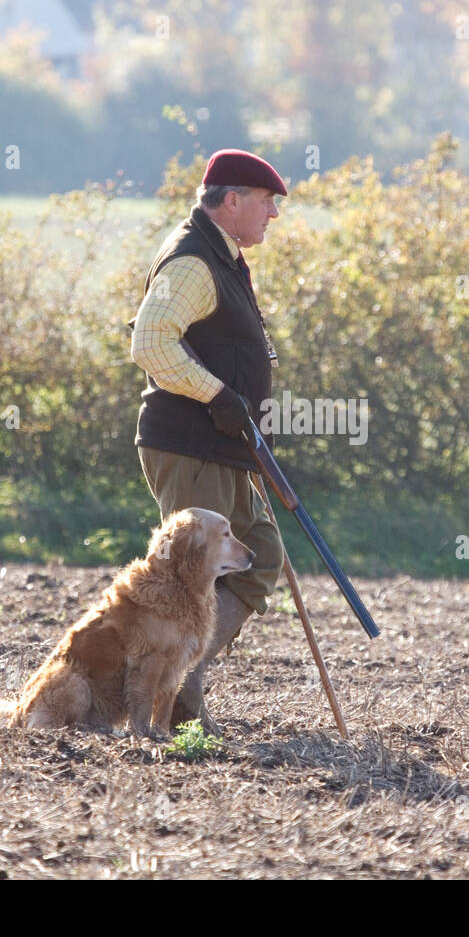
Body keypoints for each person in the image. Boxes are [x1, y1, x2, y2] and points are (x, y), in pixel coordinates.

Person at [129, 148, 288, 735]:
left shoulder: (223, 258)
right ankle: (172, 699)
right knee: (193, 575)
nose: (273, 215)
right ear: (232, 202)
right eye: (268, 203)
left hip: (221, 445)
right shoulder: (194, 263)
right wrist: (220, 396)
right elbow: (151, 344)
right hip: (192, 444)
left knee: (259, 555)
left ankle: (178, 679)